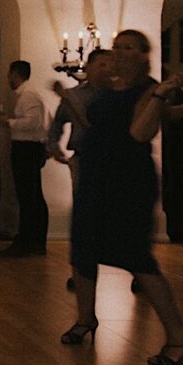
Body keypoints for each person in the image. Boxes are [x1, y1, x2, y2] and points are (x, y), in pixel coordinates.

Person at [62, 30, 183, 365]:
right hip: (96, 175)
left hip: (127, 182)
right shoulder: (109, 85)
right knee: (82, 248)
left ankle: (179, 336)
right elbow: (94, 125)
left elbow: (140, 133)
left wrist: (161, 98)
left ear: (143, 54)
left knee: (136, 255)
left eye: (129, 47)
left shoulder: (151, 88)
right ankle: (85, 318)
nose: (121, 52)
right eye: (118, 46)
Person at [49, 49, 113, 290]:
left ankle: (133, 267)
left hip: (113, 159)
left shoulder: (116, 95)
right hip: (83, 159)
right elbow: (57, 124)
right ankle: (81, 272)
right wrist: (53, 146)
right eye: (102, 64)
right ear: (89, 66)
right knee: (84, 216)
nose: (107, 68)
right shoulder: (75, 94)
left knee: (115, 212)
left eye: (110, 64)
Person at [0, 60, 50, 257]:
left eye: (9, 74)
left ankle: (27, 241)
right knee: (32, 196)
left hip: (26, 149)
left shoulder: (28, 95)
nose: (8, 78)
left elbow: (32, 123)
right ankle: (34, 241)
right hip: (28, 148)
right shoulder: (29, 95)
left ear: (15, 74)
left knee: (28, 196)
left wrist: (6, 121)